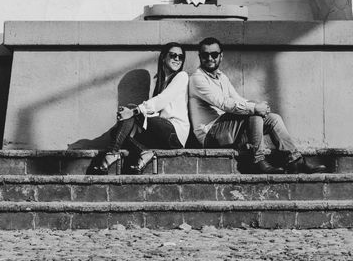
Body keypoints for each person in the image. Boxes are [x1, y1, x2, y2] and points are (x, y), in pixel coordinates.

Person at [188, 37, 327, 174]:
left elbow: (237, 99)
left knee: (274, 119)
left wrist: (259, 106)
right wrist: (255, 108)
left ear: (221, 56)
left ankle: (295, 161)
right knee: (253, 112)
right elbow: (224, 104)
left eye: (214, 54)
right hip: (210, 134)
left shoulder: (222, 77)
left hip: (228, 130)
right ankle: (257, 160)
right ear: (200, 56)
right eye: (205, 55)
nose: (210, 58)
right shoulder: (197, 78)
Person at [91, 42, 189, 175]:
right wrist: (135, 121)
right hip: (161, 133)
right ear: (163, 57)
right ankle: (144, 152)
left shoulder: (181, 76)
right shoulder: (161, 82)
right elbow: (154, 112)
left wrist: (133, 112)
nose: (177, 59)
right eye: (173, 55)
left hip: (174, 133)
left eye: (180, 57)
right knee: (116, 132)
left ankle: (112, 154)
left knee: (132, 110)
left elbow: (161, 101)